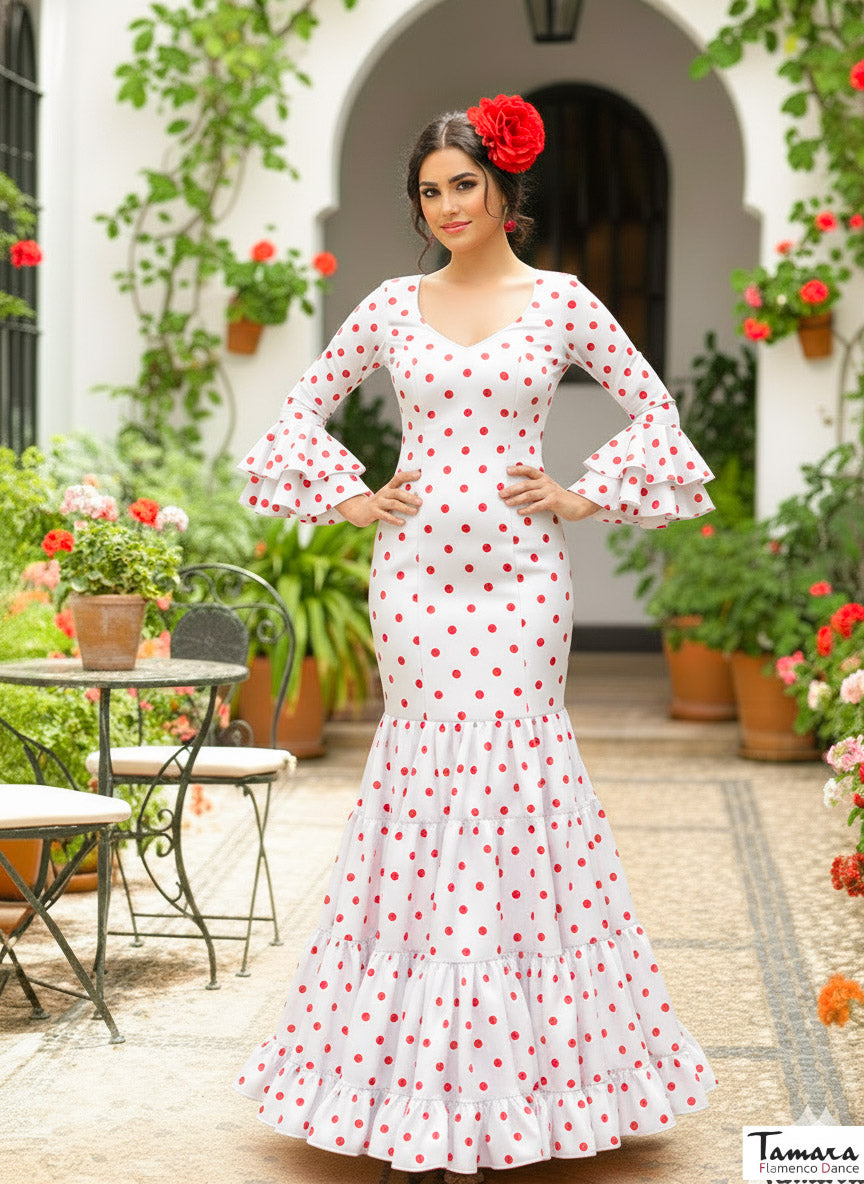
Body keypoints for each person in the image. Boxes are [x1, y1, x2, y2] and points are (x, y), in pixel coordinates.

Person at [232, 94, 718, 1184]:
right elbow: (296, 415)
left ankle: (520, 1088)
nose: (447, 206)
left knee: (512, 783)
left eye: (463, 184)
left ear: (504, 190)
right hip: (412, 585)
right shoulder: (390, 306)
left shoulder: (563, 302)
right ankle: (416, 1092)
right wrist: (352, 498)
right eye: (429, 192)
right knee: (423, 788)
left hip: (522, 586)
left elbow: (659, 415)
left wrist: (583, 495)